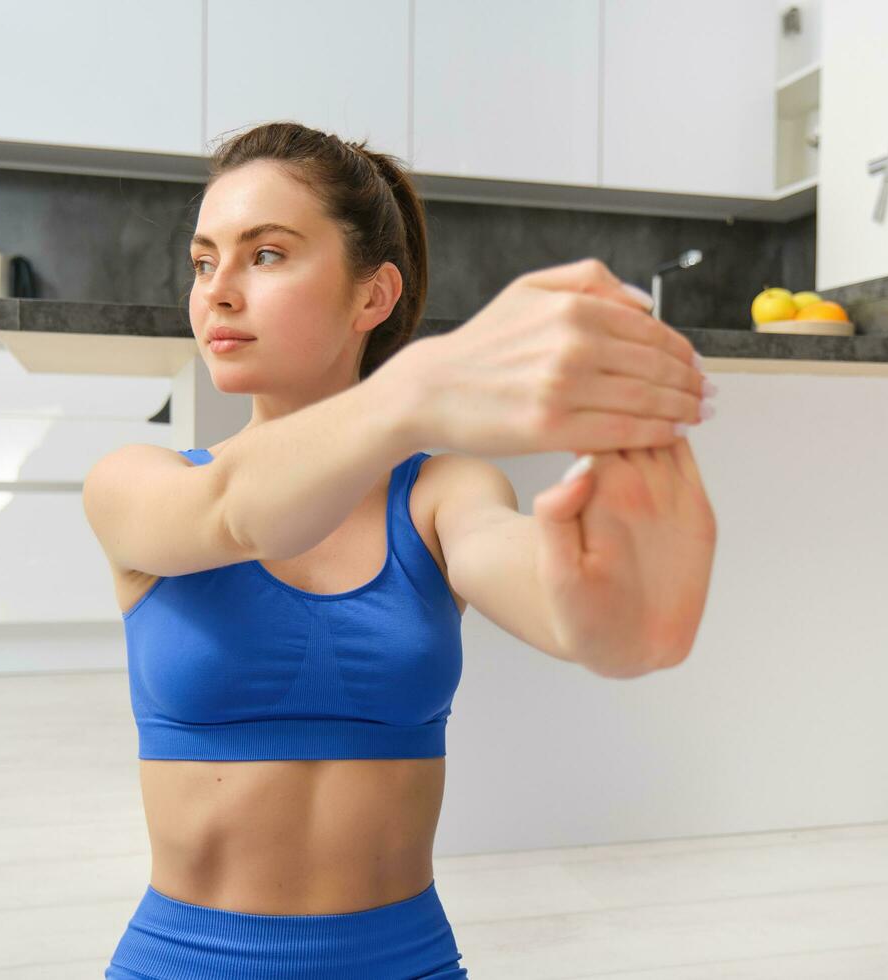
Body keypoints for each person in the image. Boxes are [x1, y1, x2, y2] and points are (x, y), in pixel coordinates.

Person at [84, 120, 718, 979]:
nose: (218, 291)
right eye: (204, 261)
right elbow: (239, 513)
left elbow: (529, 576)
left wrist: (616, 608)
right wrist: (418, 391)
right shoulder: (139, 481)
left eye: (265, 254)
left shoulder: (440, 494)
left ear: (372, 297)